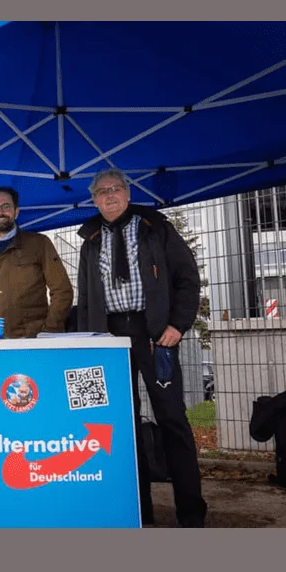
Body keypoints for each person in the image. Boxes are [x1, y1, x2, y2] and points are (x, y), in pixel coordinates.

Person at [74, 168, 208, 528]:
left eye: (116, 188)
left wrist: (177, 325)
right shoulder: (90, 240)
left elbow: (187, 277)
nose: (110, 195)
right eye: (102, 191)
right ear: (94, 200)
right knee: (119, 424)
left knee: (173, 419)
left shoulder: (155, 227)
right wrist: (90, 342)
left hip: (155, 335)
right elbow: (85, 298)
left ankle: (192, 513)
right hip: (110, 339)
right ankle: (137, 511)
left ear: (128, 194)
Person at [0, 186, 73, 340]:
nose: (0, 212)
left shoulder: (39, 244)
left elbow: (62, 291)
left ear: (16, 211)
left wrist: (49, 330)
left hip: (33, 340)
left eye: (6, 206)